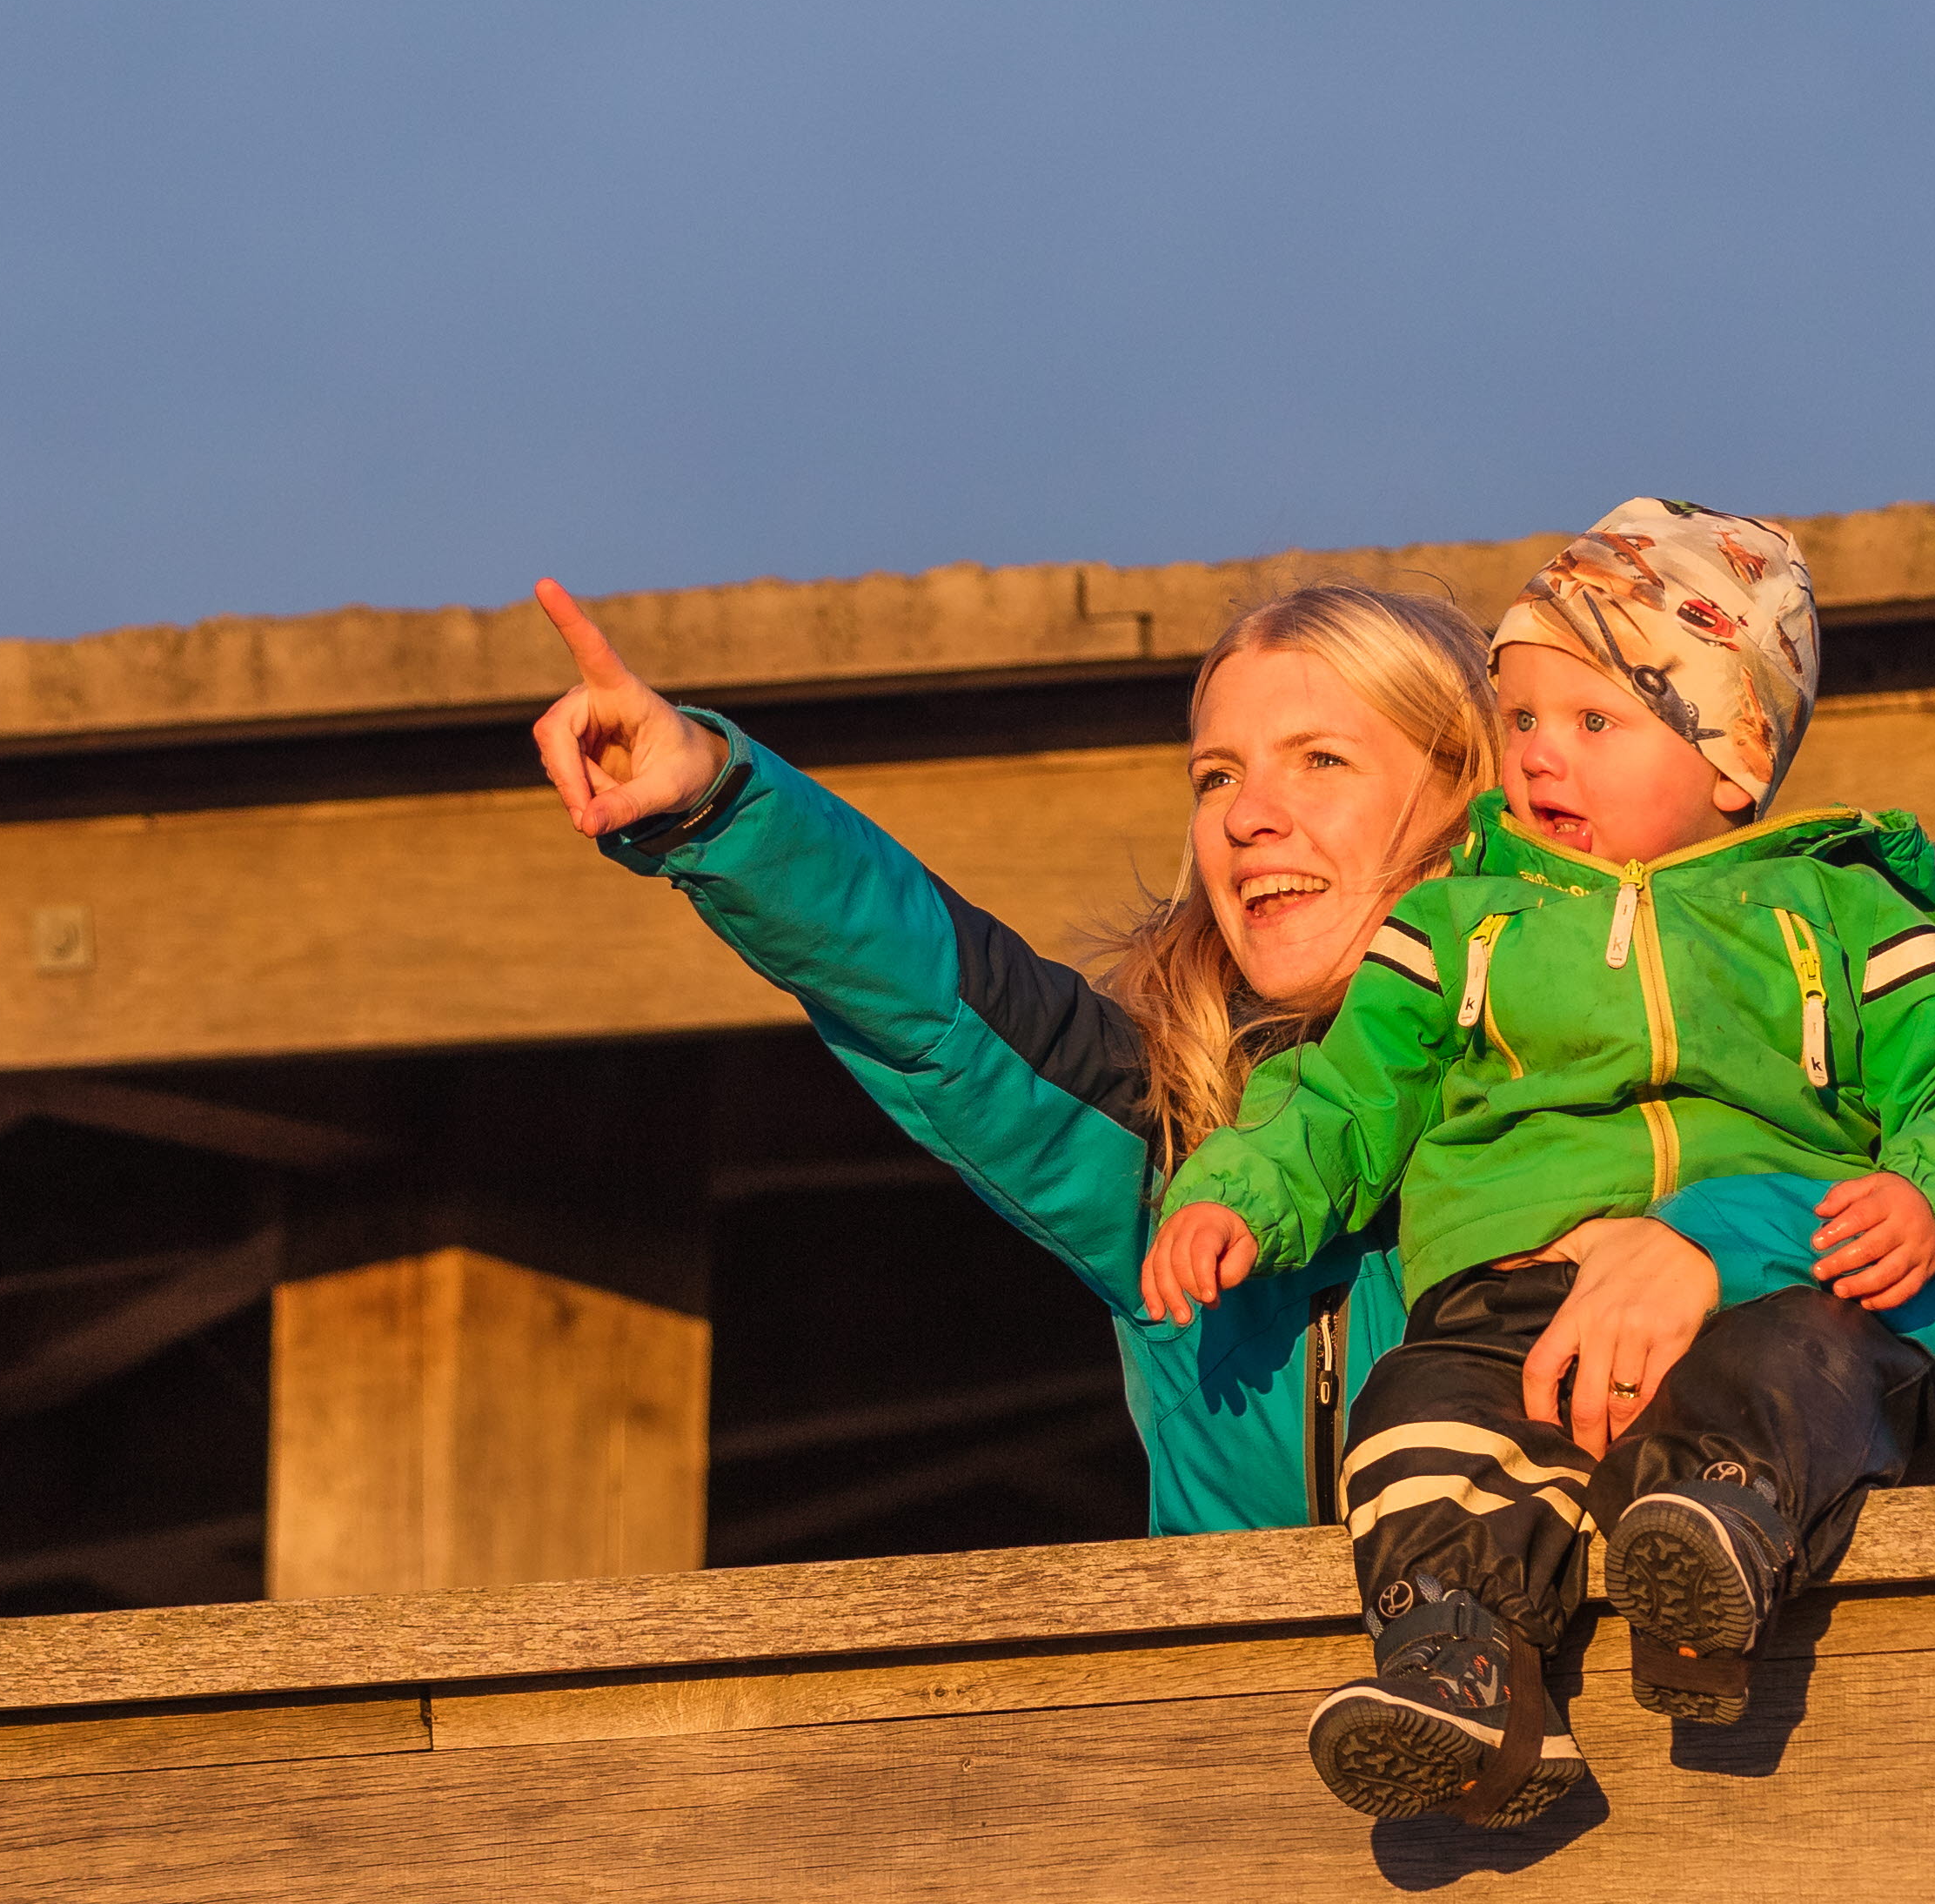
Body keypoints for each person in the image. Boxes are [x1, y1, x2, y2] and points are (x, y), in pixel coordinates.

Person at [1143, 501, 1935, 1816]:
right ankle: (1464, 1668)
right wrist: (1234, 1192)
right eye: (1525, 719)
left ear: (1736, 756)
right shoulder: (1463, 925)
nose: (1543, 755)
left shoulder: (1836, 911)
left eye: (1596, 721)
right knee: (1418, 1411)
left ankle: (1715, 1537)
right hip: (1513, 1291)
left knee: (1803, 1360)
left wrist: (1930, 1196)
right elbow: (1342, 1091)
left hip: (1762, 1290)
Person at [524, 573, 1494, 1536]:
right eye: (1217, 777)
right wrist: (719, 800)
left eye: (1319, 759)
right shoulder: (1179, 1138)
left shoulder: (1602, 1105)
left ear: (1469, 800)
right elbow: (930, 1000)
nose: (1247, 817)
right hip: (1232, 1695)